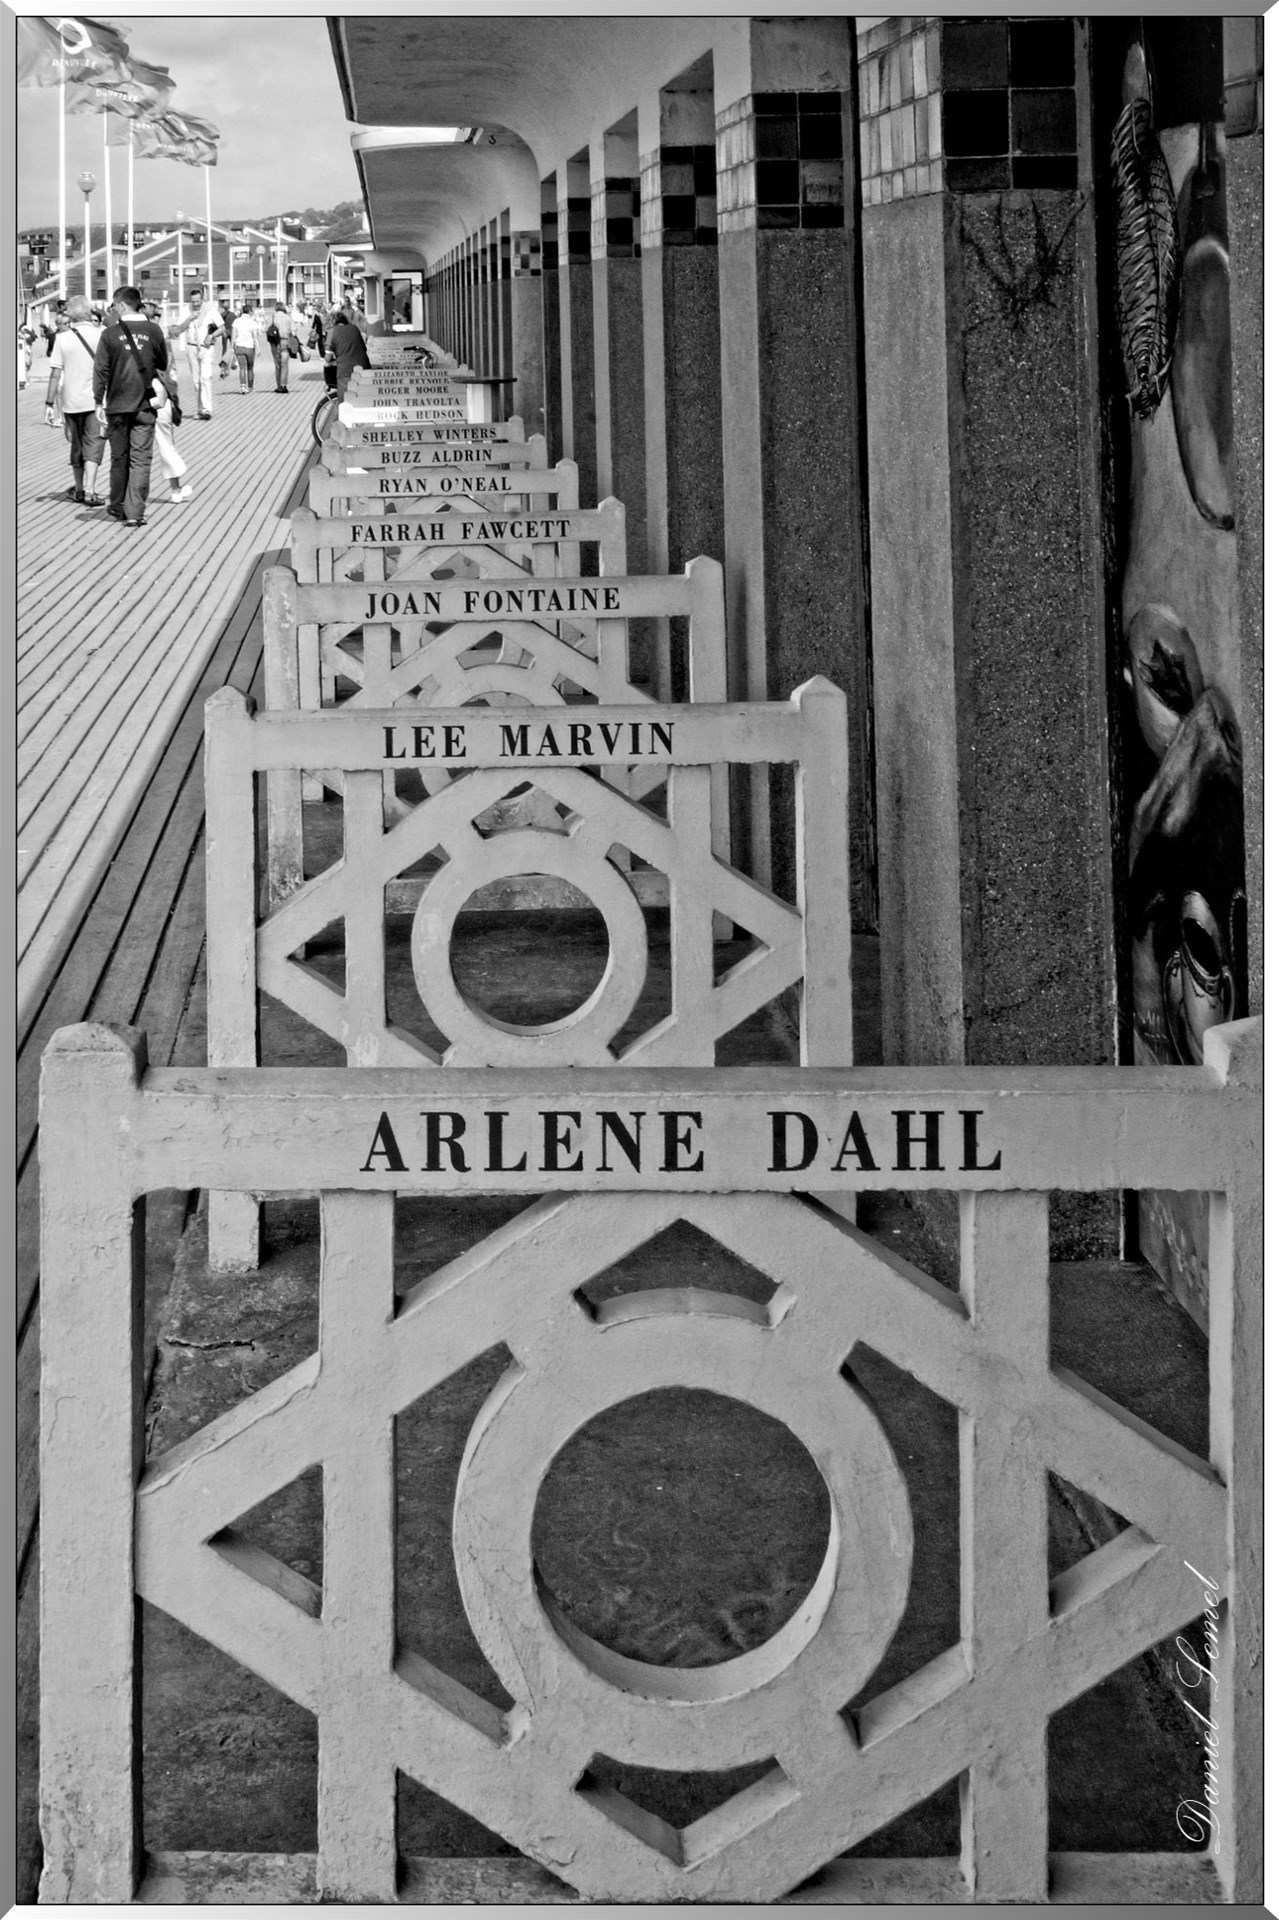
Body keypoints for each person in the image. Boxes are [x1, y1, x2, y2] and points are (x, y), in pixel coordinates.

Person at [93, 284, 168, 528]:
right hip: (145, 405)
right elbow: (162, 362)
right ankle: (135, 511)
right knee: (141, 459)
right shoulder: (153, 330)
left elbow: (101, 370)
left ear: (122, 304)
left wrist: (97, 400)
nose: (112, 311)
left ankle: (117, 505)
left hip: (116, 405)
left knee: (119, 457)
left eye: (113, 306)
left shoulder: (109, 335)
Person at [44, 293, 105, 505]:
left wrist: (49, 403)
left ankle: (78, 488)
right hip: (95, 401)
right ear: (89, 312)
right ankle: (90, 489)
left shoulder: (63, 338)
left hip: (71, 402)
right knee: (94, 443)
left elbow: (55, 373)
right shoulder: (101, 336)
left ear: (71, 315)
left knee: (76, 445)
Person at [151, 372, 194, 505]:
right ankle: (175, 489)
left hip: (132, 401)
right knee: (166, 446)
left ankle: (126, 495)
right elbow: (170, 378)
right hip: (159, 399)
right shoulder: (159, 354)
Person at [326, 302, 370, 401]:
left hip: (346, 372)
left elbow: (327, 358)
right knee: (362, 399)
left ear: (334, 322)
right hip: (364, 368)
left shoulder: (332, 331)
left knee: (344, 403)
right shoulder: (354, 329)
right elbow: (364, 349)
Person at [266, 301, 294, 391]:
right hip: (285, 342)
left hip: (275, 343)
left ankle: (279, 386)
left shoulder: (273, 317)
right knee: (285, 364)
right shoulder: (287, 317)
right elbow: (294, 330)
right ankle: (284, 385)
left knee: (277, 365)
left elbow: (265, 328)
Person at [230, 302, 258, 392]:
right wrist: (258, 348)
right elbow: (255, 337)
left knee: (242, 367)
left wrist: (231, 347)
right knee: (250, 368)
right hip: (250, 347)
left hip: (239, 346)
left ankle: (242, 386)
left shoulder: (236, 321)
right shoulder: (252, 322)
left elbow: (233, 336)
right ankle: (250, 387)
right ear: (250, 312)